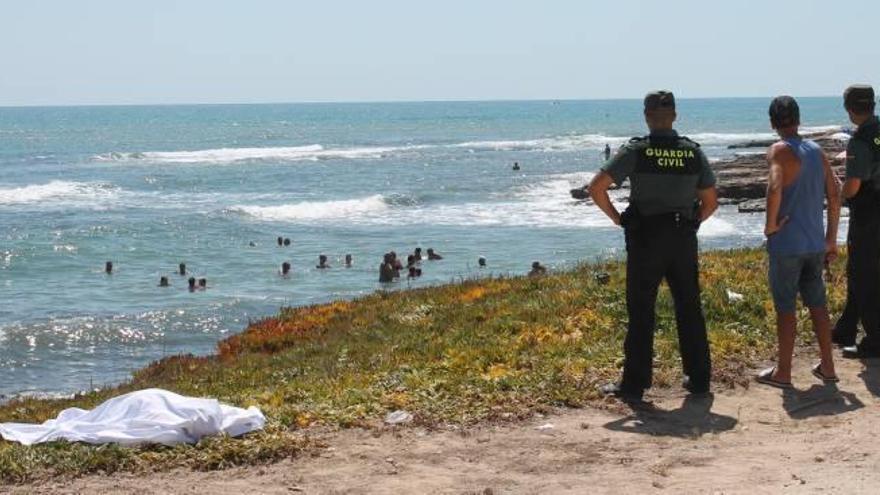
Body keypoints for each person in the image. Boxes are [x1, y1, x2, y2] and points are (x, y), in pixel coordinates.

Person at [590, 90, 719, 401]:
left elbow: (596, 188)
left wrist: (618, 218)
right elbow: (711, 201)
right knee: (689, 306)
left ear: (647, 116)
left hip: (646, 237)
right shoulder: (692, 152)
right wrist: (692, 222)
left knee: (642, 309)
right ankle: (699, 379)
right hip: (682, 237)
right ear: (674, 116)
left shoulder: (637, 150)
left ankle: (635, 384)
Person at [756, 96, 840, 389]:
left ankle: (784, 372)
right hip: (815, 243)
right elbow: (835, 193)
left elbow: (775, 186)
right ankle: (828, 367)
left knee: (786, 307)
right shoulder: (816, 151)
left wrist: (770, 227)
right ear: (798, 119)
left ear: (772, 122)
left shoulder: (778, 150)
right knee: (818, 304)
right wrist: (831, 238)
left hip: (787, 245)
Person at [833, 85, 880, 358]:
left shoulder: (860, 141)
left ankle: (875, 339)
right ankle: (846, 328)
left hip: (868, 214)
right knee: (861, 270)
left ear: (849, 109)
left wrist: (838, 194)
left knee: (864, 273)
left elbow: (853, 185)